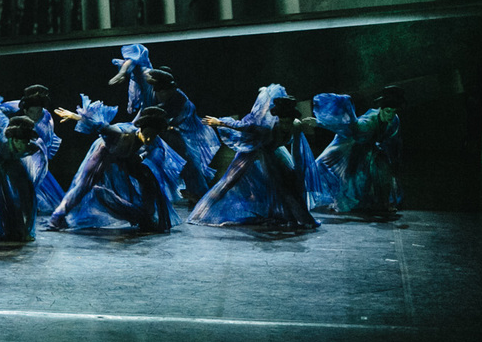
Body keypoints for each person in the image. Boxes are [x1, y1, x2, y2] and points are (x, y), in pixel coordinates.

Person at [186, 85, 320, 230]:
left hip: (272, 150)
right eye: (283, 121)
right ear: (277, 118)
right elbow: (243, 126)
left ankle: (298, 217)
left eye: (289, 121)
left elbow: (297, 151)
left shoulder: (296, 125)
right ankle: (202, 213)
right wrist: (220, 122)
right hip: (255, 149)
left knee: (287, 182)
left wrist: (298, 170)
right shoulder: (266, 127)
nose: (286, 125)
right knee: (231, 179)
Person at [47, 100, 186, 233]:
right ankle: (57, 217)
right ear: (140, 129)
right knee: (83, 185)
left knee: (148, 180)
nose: (149, 139)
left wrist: (141, 158)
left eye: (153, 136)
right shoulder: (122, 133)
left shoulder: (154, 140)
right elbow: (101, 126)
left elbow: (154, 152)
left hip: (125, 157)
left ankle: (147, 217)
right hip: (104, 153)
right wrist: (75, 116)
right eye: (147, 135)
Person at [108, 44, 220, 199]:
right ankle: (125, 190)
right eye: (163, 91)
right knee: (125, 147)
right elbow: (138, 55)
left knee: (188, 158)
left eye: (169, 91)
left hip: (167, 129)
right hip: (144, 124)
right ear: (157, 88)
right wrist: (122, 72)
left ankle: (198, 193)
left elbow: (175, 121)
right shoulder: (148, 81)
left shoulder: (180, 100)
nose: (166, 94)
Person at [306, 86, 403, 217]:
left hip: (372, 150)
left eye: (393, 111)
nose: (390, 115)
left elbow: (393, 141)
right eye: (388, 111)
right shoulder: (368, 123)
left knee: (383, 172)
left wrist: (392, 158)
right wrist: (319, 123)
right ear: (381, 109)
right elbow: (348, 128)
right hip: (353, 146)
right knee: (349, 179)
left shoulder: (394, 120)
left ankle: (385, 203)